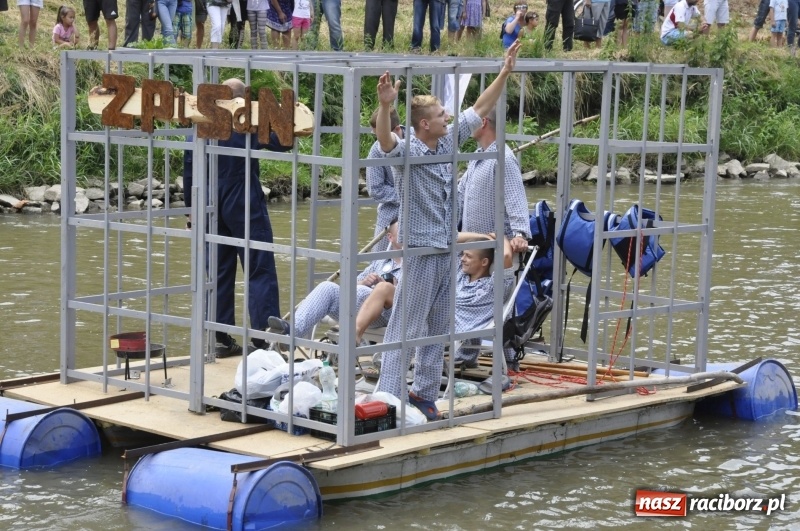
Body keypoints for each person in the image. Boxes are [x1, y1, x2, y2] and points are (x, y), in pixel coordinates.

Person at [372, 41, 521, 420]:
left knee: (438, 327)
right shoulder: (411, 151)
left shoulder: (449, 142)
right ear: (426, 124)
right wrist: (387, 104)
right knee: (406, 323)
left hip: (446, 252)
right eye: (441, 114)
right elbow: (386, 140)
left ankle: (423, 392)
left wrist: (504, 71)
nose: (447, 117)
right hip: (421, 252)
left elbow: (480, 109)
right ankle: (387, 394)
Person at [183, 79, 292, 358]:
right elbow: (283, 142)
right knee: (259, 264)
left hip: (208, 200)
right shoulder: (245, 120)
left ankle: (219, 337)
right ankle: (264, 338)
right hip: (243, 196)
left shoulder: (201, 119)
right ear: (244, 99)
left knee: (218, 268)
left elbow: (188, 165)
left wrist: (190, 209)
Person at [457, 111, 530, 370]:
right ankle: (467, 354)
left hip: (500, 246)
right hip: (473, 247)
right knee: (468, 293)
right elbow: (459, 196)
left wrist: (520, 233)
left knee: (501, 304)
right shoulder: (478, 157)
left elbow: (515, 196)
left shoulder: (503, 158)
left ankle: (510, 361)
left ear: (484, 122)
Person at [267, 220, 403, 342]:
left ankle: (354, 334)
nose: (405, 235)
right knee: (327, 287)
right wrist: (365, 282)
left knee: (383, 288)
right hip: (357, 305)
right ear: (390, 237)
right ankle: (292, 333)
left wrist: (394, 287)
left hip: (389, 312)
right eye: (401, 231)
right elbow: (349, 287)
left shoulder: (415, 263)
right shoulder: (380, 261)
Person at [366, 107, 403, 257]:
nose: (379, 140)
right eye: (377, 135)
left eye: (382, 135)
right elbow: (375, 190)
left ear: (397, 129)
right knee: (378, 262)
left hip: (423, 214)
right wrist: (407, 195)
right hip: (390, 215)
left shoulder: (418, 139)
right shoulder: (376, 151)